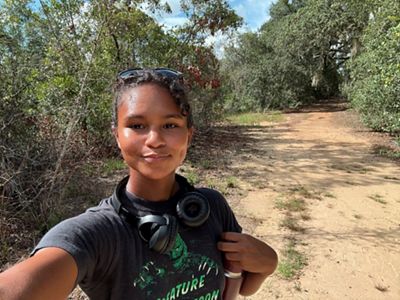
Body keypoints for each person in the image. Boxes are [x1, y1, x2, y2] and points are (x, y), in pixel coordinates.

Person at [0, 68, 278, 300]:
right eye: (137, 125)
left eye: (170, 125)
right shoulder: (98, 233)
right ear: (117, 136)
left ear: (188, 136)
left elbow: (242, 285)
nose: (155, 139)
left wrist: (268, 264)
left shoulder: (211, 207)